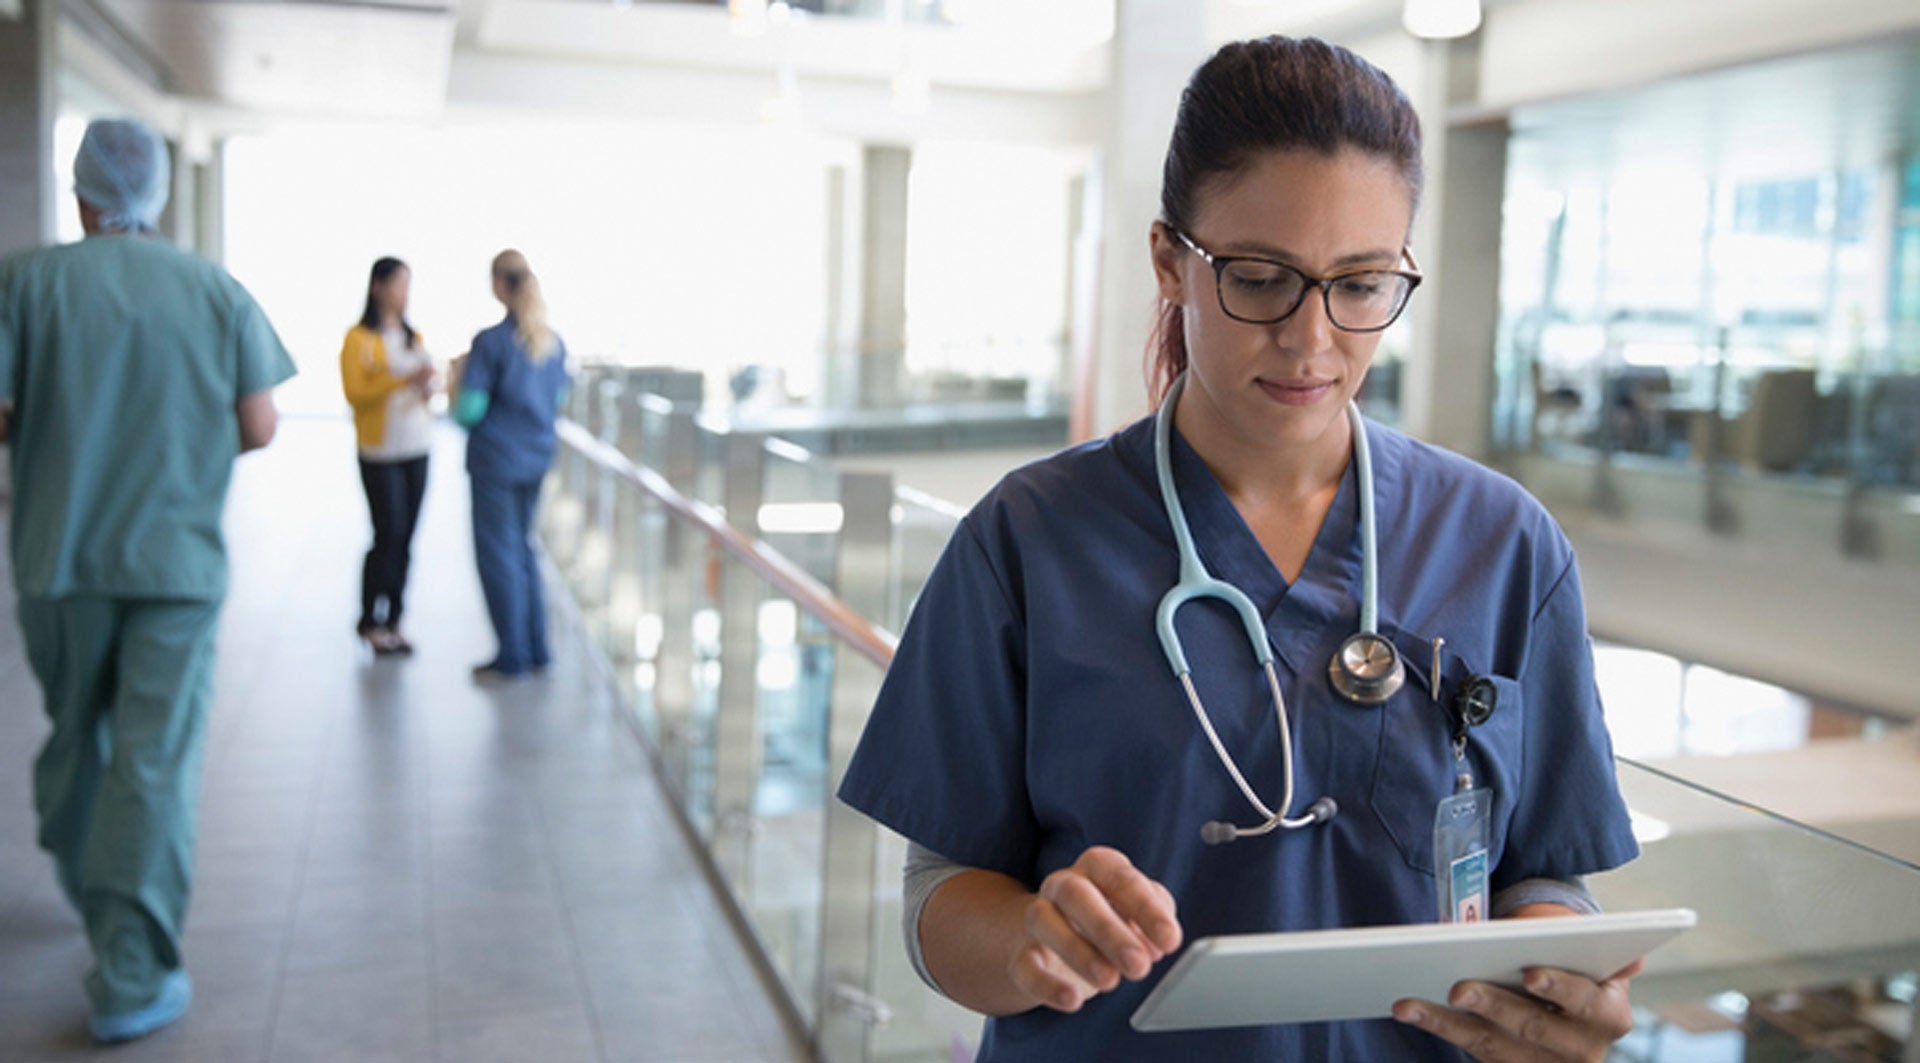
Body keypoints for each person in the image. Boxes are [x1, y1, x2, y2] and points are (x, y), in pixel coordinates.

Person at [836, 37, 1643, 1062]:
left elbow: (1544, 877)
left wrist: (1552, 984)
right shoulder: (1030, 539)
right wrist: (1031, 937)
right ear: (1171, 259)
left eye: (1361, 284)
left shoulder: (1502, 543)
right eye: (1261, 279)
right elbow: (939, 897)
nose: (1312, 341)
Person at [0, 119, 295, 1043]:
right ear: (157, 192)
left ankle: (90, 872)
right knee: (152, 758)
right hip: (174, 567)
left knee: (74, 735)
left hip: (58, 558)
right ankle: (130, 971)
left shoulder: (24, 284)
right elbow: (258, 424)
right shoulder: (213, 289)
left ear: (82, 189)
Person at [454, 250, 569, 681]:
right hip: (535, 459)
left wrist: (457, 382)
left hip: (497, 462)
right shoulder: (551, 342)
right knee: (523, 549)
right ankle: (536, 648)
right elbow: (556, 400)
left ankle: (512, 655)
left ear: (499, 283)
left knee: (499, 555)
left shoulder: (491, 343)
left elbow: (469, 410)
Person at [340, 256, 436, 655]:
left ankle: (396, 618)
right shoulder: (358, 339)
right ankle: (369, 619)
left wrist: (426, 387)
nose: (403, 293)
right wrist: (399, 381)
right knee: (388, 532)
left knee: (407, 536)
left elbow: (425, 389)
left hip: (416, 445)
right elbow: (355, 394)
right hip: (379, 451)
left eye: (407, 285)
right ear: (377, 286)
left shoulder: (415, 337)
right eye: (397, 284)